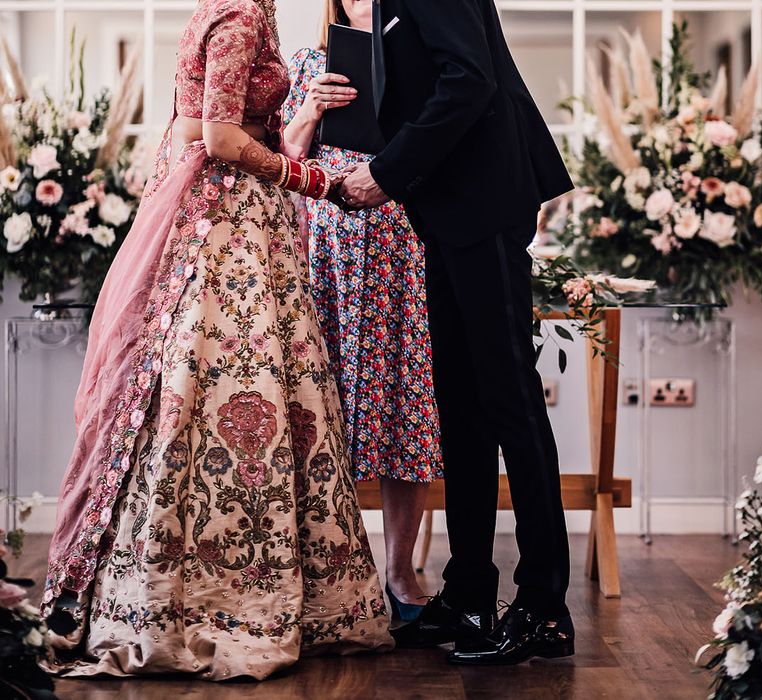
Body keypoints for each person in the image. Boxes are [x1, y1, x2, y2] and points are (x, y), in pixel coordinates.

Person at [41, 0, 392, 680]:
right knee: (231, 386)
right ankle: (210, 604)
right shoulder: (238, 16)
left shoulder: (238, 9)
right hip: (229, 231)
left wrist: (297, 140)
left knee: (215, 390)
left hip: (235, 218)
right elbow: (223, 137)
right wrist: (312, 179)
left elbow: (229, 131)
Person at [340, 0, 576, 665]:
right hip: (448, 212)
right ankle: (470, 591)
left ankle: (544, 607)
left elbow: (467, 78)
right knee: (462, 411)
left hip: (485, 202)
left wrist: (386, 172)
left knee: (511, 404)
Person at [282, 0, 442, 622]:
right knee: (318, 409)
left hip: (400, 243)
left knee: (406, 405)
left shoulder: (421, 57)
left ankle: (399, 573)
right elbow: (283, 157)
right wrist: (312, 107)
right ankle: (322, 573)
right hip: (324, 251)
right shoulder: (307, 60)